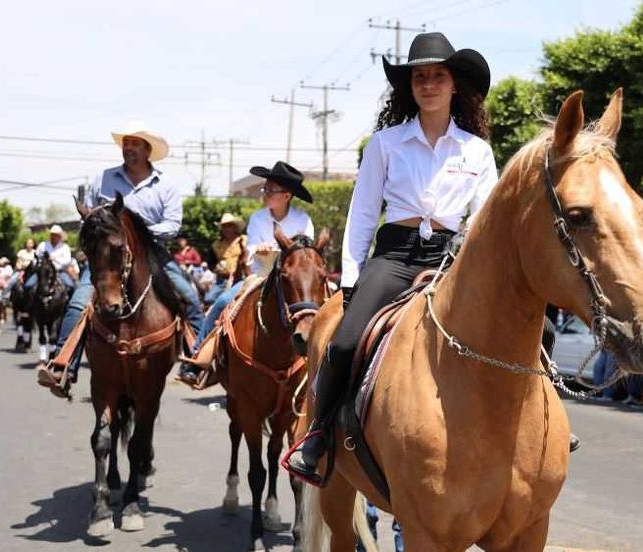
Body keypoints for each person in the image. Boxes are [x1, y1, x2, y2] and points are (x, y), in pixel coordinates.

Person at [286, 31, 499, 483]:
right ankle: (318, 435)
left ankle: (538, 416)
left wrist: (468, 251)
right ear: (410, 86)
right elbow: (362, 213)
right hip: (396, 256)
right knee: (343, 341)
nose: (428, 84)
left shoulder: (477, 151)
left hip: (451, 258)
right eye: (419, 76)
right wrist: (351, 277)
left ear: (454, 84)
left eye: (437, 75)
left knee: (519, 329)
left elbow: (483, 218)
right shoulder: (384, 144)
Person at [36, 121, 206, 397]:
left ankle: (196, 362)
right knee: (78, 301)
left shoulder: (166, 185)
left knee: (189, 297)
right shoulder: (102, 178)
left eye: (134, 144)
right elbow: (89, 219)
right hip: (106, 255)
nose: (128, 148)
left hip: (152, 253)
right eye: (125, 143)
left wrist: (136, 232)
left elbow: (172, 224)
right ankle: (62, 364)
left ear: (147, 150)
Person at [178, 161, 314, 385]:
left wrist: (278, 250)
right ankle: (195, 359)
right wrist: (258, 251)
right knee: (222, 301)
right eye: (265, 188)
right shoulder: (258, 218)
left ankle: (328, 365)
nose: (265, 193)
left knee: (329, 308)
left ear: (286, 195)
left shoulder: (303, 220)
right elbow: (250, 251)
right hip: (260, 277)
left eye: (270, 189)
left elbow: (306, 254)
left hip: (295, 282)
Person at [204, 213, 247, 305]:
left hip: (241, 278)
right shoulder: (216, 245)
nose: (226, 229)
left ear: (235, 227)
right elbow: (210, 263)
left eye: (229, 226)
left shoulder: (244, 241)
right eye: (224, 227)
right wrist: (217, 269)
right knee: (209, 299)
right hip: (222, 279)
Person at [24, 225, 75, 291]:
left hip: (59, 271)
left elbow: (67, 261)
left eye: (55, 235)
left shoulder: (65, 247)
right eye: (52, 234)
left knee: (70, 286)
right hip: (42, 272)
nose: (53, 237)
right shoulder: (43, 245)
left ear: (59, 236)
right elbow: (35, 258)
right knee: (28, 285)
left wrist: (55, 259)